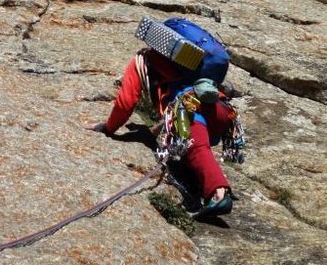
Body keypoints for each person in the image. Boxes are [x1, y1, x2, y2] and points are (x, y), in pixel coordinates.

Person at [86, 47, 236, 217]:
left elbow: (125, 103)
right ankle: (200, 179)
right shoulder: (189, 57)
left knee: (195, 146)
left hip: (189, 106)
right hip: (221, 109)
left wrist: (108, 128)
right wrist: (155, 131)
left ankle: (219, 193)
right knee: (190, 148)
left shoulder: (143, 60)